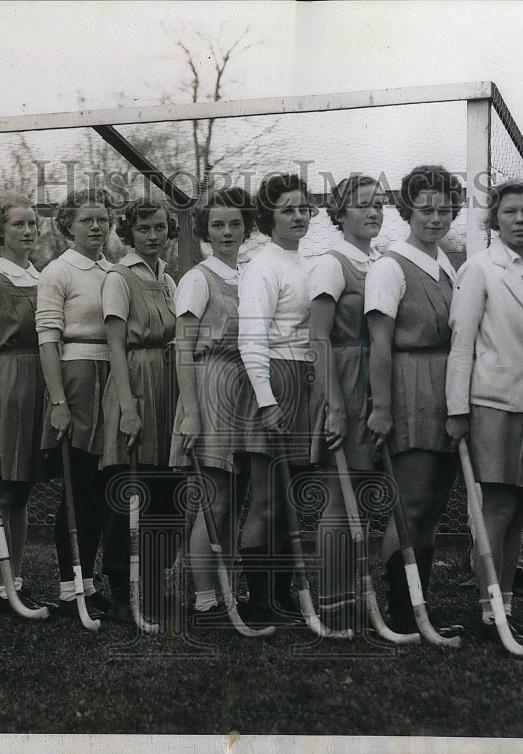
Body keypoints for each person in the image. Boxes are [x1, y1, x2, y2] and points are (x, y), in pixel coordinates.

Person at [445, 179, 523, 644]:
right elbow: (461, 344)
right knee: (500, 507)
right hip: (491, 402)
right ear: (495, 219)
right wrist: (456, 409)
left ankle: (505, 605)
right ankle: (489, 609)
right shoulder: (479, 269)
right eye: (510, 212)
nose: (520, 220)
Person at [364, 165, 464, 635]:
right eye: (425, 208)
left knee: (434, 504)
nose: (435, 217)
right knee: (412, 502)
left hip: (445, 387)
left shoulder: (447, 264)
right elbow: (379, 344)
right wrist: (381, 407)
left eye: (445, 209)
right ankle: (401, 611)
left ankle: (419, 605)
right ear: (407, 211)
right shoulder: (389, 265)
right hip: (409, 386)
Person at [169, 187, 256, 627]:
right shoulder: (197, 278)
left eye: (235, 224)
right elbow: (183, 347)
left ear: (246, 227)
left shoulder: (248, 274)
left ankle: (226, 586)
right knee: (213, 499)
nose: (227, 232)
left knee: (234, 497)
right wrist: (190, 411)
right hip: (209, 387)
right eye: (218, 225)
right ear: (205, 230)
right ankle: (204, 597)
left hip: (243, 389)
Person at [235, 173, 318, 624]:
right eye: (287, 209)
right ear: (269, 217)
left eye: (304, 207)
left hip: (302, 380)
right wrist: (267, 400)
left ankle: (283, 595)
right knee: (266, 498)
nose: (298, 215)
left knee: (292, 497)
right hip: (271, 383)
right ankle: (259, 597)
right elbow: (252, 339)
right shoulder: (261, 266)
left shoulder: (306, 263)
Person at [101, 198, 181, 625]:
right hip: (133, 379)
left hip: (168, 384)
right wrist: (128, 407)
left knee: (165, 488)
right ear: (129, 233)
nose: (153, 236)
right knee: (127, 488)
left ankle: (151, 584)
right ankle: (118, 589)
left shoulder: (167, 278)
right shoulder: (118, 277)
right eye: (144, 229)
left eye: (160, 228)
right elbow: (114, 344)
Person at [308, 175, 383, 632]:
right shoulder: (331, 265)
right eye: (361, 206)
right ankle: (333, 602)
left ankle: (357, 593)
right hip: (345, 382)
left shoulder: (380, 262)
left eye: (378, 205)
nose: (373, 213)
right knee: (340, 496)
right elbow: (318, 338)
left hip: (377, 381)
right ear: (340, 215)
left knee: (366, 495)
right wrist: (335, 405)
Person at [36, 187, 116, 619]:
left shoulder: (113, 270)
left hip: (111, 377)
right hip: (75, 376)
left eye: (102, 218)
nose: (96, 226)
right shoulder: (57, 271)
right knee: (77, 485)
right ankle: (70, 589)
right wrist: (58, 400)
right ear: (67, 225)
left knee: (102, 489)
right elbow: (47, 339)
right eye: (86, 219)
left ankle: (90, 581)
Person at [0, 191, 50, 612]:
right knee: (1, 491)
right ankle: (5, 584)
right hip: (6, 386)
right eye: (18, 223)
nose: (28, 230)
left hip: (41, 385)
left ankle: (13, 579)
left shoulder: (43, 278)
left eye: (32, 223)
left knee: (22, 490)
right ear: (0, 230)